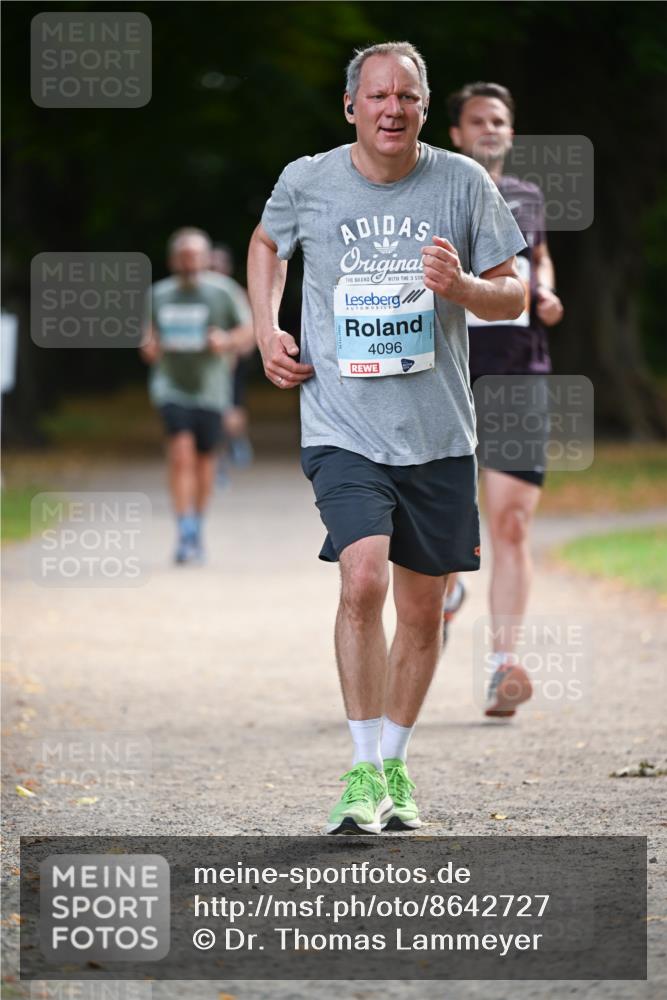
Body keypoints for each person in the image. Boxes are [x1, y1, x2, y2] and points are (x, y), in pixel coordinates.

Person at [247, 42, 526, 834]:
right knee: (361, 578)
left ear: (423, 108)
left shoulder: (462, 184)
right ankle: (361, 767)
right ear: (351, 106)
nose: (391, 109)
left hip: (437, 433)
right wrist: (266, 326)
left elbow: (513, 292)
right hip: (342, 425)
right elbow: (267, 245)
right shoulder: (308, 180)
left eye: (406, 96)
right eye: (377, 96)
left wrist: (464, 287)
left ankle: (395, 767)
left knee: (424, 608)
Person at [445, 82, 564, 716]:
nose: (489, 128)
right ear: (456, 133)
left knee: (512, 523)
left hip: (520, 372)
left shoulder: (527, 197)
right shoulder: (433, 192)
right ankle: (445, 593)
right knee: (438, 526)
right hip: (445, 374)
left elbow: (538, 259)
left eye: (499, 120)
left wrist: (544, 292)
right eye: (477, 120)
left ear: (510, 134)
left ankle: (501, 664)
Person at [140, 227, 252, 564]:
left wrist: (227, 341)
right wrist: (148, 345)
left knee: (205, 460)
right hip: (170, 386)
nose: (190, 263)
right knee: (180, 454)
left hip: (211, 389)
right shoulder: (158, 294)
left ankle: (197, 524)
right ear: (174, 260)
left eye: (196, 256)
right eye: (184, 257)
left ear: (205, 258)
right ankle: (184, 527)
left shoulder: (224, 293)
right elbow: (148, 334)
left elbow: (249, 332)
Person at [210, 244, 257, 470]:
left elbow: (251, 329)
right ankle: (217, 455)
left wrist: (240, 351)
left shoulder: (237, 293)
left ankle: (236, 442)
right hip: (205, 364)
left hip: (233, 360)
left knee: (232, 410)